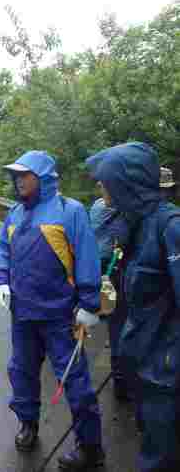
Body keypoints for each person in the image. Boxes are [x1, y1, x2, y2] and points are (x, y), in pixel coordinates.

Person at [0, 151, 104, 470]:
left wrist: (89, 302)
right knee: (22, 372)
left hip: (60, 316)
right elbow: (2, 248)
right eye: (15, 176)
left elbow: (86, 255)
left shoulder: (70, 211)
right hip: (23, 315)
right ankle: (28, 424)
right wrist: (1, 279)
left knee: (75, 381)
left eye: (23, 175)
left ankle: (91, 447)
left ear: (42, 177)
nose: (17, 181)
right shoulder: (15, 213)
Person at [86, 143, 180, 472]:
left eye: (106, 180)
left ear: (127, 184)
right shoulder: (134, 226)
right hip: (144, 365)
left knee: (159, 459)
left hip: (165, 373)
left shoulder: (171, 228)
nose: (100, 187)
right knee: (151, 444)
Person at [88, 183, 132, 401]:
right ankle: (122, 381)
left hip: (101, 272)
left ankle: (119, 380)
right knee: (120, 324)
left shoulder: (96, 207)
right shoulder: (126, 209)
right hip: (116, 272)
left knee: (114, 321)